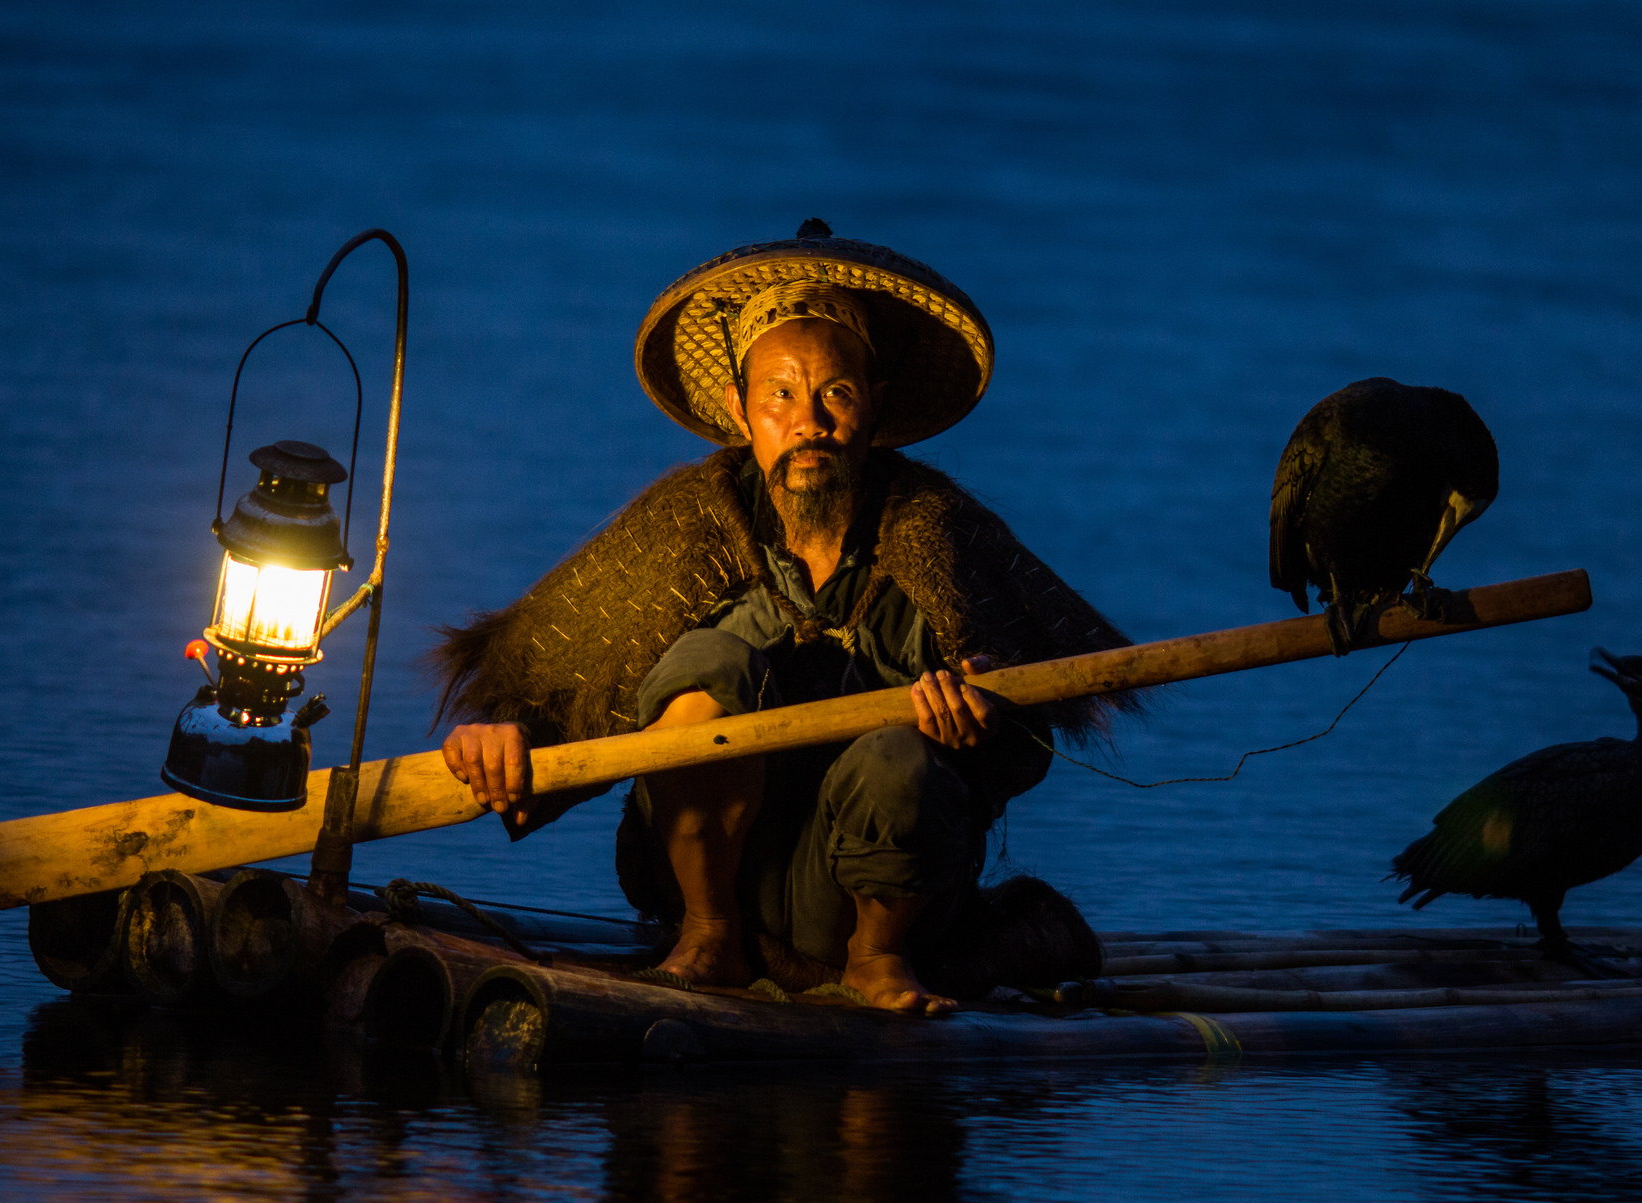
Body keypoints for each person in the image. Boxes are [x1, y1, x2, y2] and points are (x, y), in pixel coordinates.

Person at [432, 221, 1136, 1014]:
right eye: (780, 395)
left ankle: (875, 961)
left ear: (874, 405)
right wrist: (507, 743)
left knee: (898, 759)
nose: (809, 421)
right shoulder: (684, 533)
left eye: (835, 392)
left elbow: (1026, 728)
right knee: (706, 668)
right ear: (741, 410)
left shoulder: (939, 535)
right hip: (721, 878)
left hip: (874, 893)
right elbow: (568, 720)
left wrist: (982, 719)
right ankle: (708, 935)